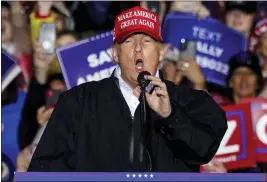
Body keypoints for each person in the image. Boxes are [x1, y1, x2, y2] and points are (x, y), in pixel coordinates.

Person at [28, 6, 227, 172]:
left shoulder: (192, 101)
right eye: (129, 41)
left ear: (162, 52)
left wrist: (169, 115)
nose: (138, 48)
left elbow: (204, 149)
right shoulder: (77, 102)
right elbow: (44, 169)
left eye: (147, 41)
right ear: (115, 53)